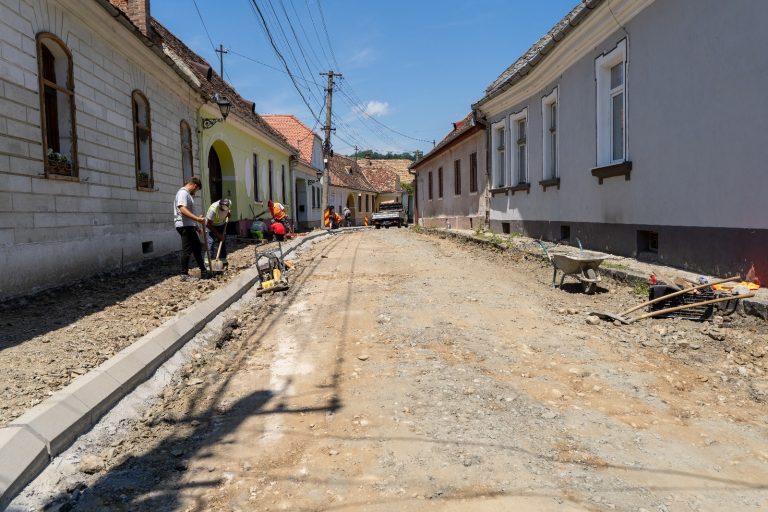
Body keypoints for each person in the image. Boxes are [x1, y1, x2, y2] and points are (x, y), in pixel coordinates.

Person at [174, 176, 210, 280]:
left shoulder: (187, 194)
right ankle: (184, 274)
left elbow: (189, 212)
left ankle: (203, 270)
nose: (196, 192)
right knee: (187, 249)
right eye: (197, 189)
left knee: (197, 247)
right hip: (184, 225)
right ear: (194, 185)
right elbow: (182, 209)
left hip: (189, 225)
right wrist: (197, 219)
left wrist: (196, 225)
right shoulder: (183, 193)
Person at [206, 198, 231, 265]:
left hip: (221, 224)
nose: (223, 210)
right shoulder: (213, 209)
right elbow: (208, 224)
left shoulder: (229, 203)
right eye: (222, 209)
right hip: (211, 225)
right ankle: (207, 262)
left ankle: (223, 260)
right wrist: (218, 235)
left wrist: (228, 214)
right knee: (210, 242)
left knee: (222, 242)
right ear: (219, 205)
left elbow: (228, 211)